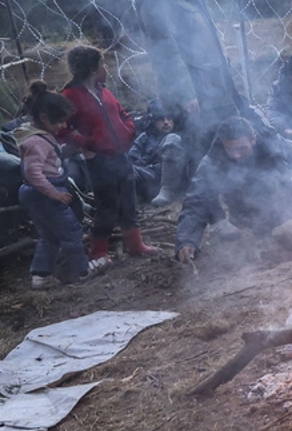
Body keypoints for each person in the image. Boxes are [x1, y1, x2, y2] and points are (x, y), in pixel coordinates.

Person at [131, 0, 253, 204]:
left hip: (217, 90)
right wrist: (185, 93)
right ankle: (211, 216)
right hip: (196, 96)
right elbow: (164, 46)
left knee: (231, 148)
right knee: (203, 159)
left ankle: (242, 209)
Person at [175, 117, 292, 264]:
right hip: (249, 220)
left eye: (242, 148)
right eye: (230, 149)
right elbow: (196, 201)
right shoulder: (213, 161)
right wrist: (187, 239)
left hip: (288, 207)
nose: (235, 155)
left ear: (253, 139)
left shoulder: (275, 144)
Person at [61, 46, 160, 266]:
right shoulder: (69, 96)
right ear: (92, 68)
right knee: (108, 205)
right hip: (97, 159)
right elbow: (63, 129)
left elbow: (121, 112)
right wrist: (86, 143)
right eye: (102, 64)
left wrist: (129, 129)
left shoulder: (103, 91)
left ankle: (135, 245)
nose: (105, 68)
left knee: (127, 199)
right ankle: (98, 252)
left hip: (121, 154)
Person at [15, 83, 89, 288]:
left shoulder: (43, 137)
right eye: (60, 122)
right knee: (71, 232)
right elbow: (33, 172)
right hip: (44, 194)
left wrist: (68, 149)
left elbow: (50, 160)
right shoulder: (35, 142)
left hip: (38, 193)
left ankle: (41, 275)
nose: (63, 126)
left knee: (48, 236)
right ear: (45, 117)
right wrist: (53, 193)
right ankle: (81, 273)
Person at [129, 99, 181, 204]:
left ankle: (168, 191)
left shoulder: (179, 136)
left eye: (169, 118)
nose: (166, 122)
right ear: (154, 121)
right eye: (161, 119)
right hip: (149, 177)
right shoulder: (145, 137)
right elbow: (131, 158)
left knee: (172, 138)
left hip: (173, 178)